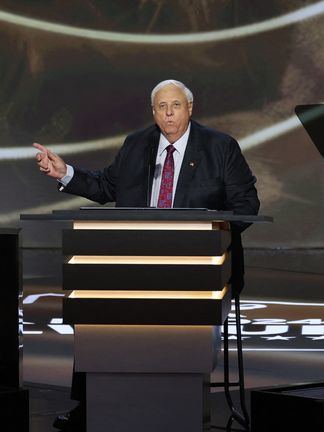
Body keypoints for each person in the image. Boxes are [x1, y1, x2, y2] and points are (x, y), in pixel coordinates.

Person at [33, 79, 260, 431]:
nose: (169, 114)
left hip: (200, 270)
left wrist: (208, 237)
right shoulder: (136, 145)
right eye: (161, 108)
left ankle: (178, 405)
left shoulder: (220, 147)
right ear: (153, 113)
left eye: (176, 106)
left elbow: (246, 206)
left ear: (190, 108)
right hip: (133, 264)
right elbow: (107, 186)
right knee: (95, 300)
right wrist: (65, 173)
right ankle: (92, 404)